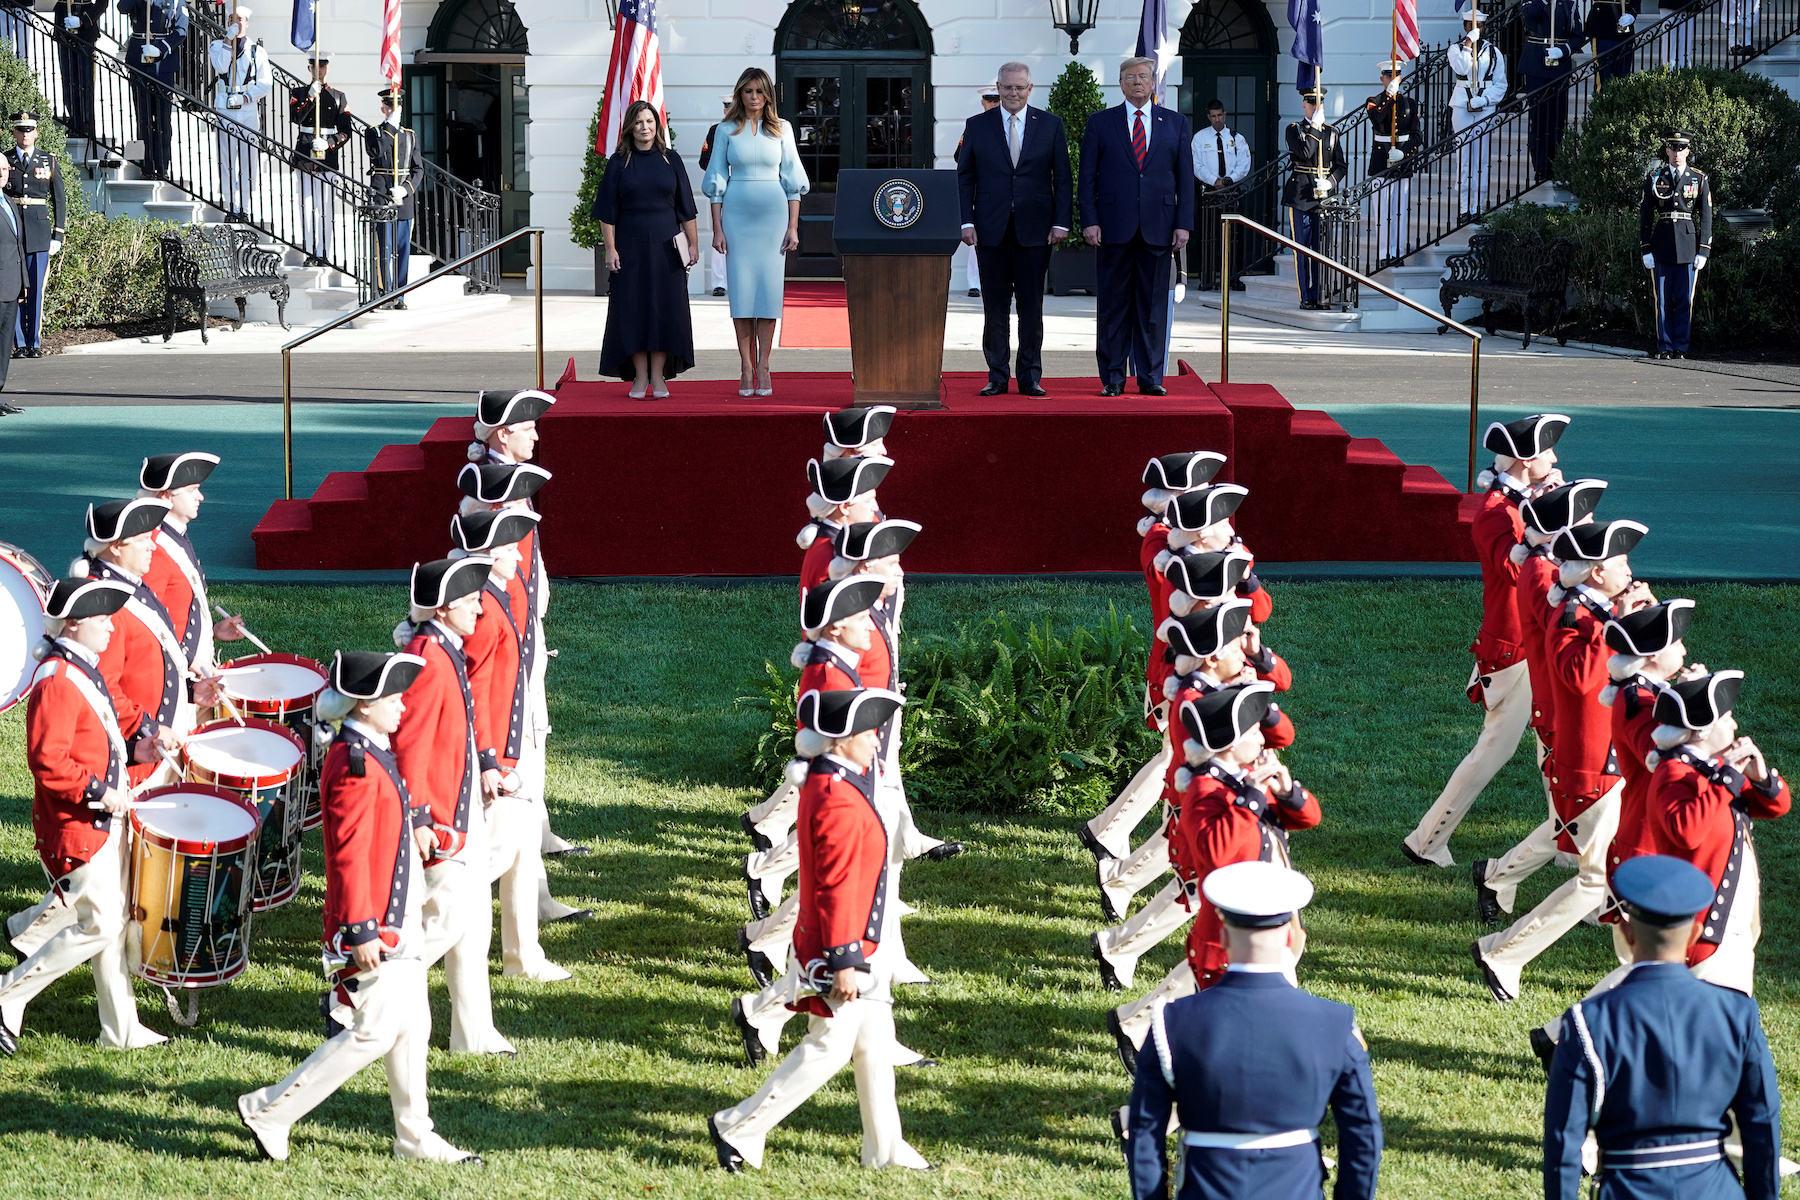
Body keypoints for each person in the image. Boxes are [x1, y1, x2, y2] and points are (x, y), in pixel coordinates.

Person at [236, 650, 484, 1166]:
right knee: (372, 1031)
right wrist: (362, 929)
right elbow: (346, 857)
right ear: (366, 705)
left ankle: (414, 1136)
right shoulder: (353, 764)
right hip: (374, 923)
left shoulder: (371, 750)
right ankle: (270, 1109)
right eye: (393, 698)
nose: (402, 707)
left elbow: (391, 809)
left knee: (414, 1026)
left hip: (397, 915)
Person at [709, 686, 933, 1174]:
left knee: (872, 1043)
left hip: (857, 942)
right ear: (839, 739)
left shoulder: (839, 780)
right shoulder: (834, 796)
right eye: (868, 733)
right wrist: (846, 960)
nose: (877, 743)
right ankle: (739, 1126)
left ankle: (886, 1148)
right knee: (829, 1047)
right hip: (840, 949)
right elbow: (832, 886)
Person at [1122, 861, 1380, 1200]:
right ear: (1290, 934)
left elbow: (1145, 1134)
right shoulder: (1334, 1023)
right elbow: (1363, 1136)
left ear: (1224, 935)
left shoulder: (1173, 1023)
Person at [1473, 518, 1651, 1004]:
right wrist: (1619, 624)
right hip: (1588, 766)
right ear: (1595, 573)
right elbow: (1577, 676)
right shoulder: (1573, 614)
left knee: (1589, 854)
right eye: (1620, 564)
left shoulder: (1589, 609)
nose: (1629, 572)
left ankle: (1634, 964)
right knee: (1595, 881)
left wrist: (1632, 622)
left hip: (1600, 760)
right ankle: (1503, 954)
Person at [1543, 855, 1780, 1200]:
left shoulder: (1586, 1021)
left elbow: (1563, 1143)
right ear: (1695, 934)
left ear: (1626, 930)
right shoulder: (1737, 1013)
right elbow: (1763, 1125)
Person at [0, 577, 171, 1054]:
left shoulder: (81, 666)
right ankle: (7, 993)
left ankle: (120, 1028)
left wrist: (143, 747)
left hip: (94, 820)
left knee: (109, 922)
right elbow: (48, 761)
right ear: (74, 625)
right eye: (102, 621)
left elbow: (99, 740)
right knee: (101, 925)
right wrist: (101, 793)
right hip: (78, 825)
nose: (112, 629)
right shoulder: (56, 680)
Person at [1403, 414, 1569, 869]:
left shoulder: (1525, 502)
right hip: (1516, 649)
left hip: (1538, 642)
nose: (1555, 460)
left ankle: (1567, 844)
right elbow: (1520, 574)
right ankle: (1427, 840)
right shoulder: (1497, 512)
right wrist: (1552, 522)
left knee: (1556, 742)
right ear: (1525, 459)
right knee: (1496, 750)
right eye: (1547, 454)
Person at [461, 403, 596, 917]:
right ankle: (531, 894)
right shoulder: (489, 489)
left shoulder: (510, 480)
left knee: (533, 740)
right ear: (502, 432)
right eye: (529, 427)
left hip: (522, 633)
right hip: (507, 638)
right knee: (523, 746)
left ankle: (537, 843)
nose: (537, 435)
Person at [392, 556, 516, 1056]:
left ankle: (474, 1032)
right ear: (442, 609)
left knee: (470, 927)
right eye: (469, 602)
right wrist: (421, 817)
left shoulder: (444, 647)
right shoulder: (429, 659)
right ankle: (359, 993)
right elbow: (410, 747)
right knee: (448, 921)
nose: (480, 608)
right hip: (441, 815)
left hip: (458, 807)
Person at [450, 508, 572, 983]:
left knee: (520, 848)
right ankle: (428, 921)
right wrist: (487, 760)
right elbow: (474, 693)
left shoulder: (500, 592)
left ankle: (524, 956)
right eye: (503, 549)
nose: (514, 554)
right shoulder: (481, 607)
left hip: (507, 741)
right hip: (490, 751)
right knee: (492, 857)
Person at [1645, 670, 1789, 991]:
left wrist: (1761, 777)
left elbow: (1776, 806)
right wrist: (1729, 778)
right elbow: (1686, 830)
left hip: (1731, 924)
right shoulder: (1674, 773)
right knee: (1729, 1026)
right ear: (1702, 731)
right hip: (1706, 930)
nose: (1735, 725)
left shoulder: (1715, 769)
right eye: (1727, 719)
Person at [77, 497, 222, 784]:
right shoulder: (104, 606)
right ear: (116, 547)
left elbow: (152, 663)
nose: (153, 545)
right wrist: (147, 728)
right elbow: (100, 689)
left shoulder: (130, 585)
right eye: (143, 540)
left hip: (160, 744)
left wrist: (191, 691)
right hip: (140, 760)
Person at [1078, 57, 1194, 397]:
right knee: (1113, 306)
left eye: (1143, 76)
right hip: (1113, 227)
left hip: (1159, 228)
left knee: (1153, 307)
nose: (1138, 82)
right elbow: (1087, 179)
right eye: (1131, 77)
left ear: (1153, 82)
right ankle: (1113, 377)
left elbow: (1185, 179)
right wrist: (1090, 220)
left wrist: (1183, 224)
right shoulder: (1101, 123)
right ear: (1121, 82)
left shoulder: (1174, 123)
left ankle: (1150, 376)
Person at [957, 61, 1072, 398]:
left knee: (1031, 308)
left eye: (1019, 87)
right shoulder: (977, 126)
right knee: (994, 309)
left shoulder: (1050, 125)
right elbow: (965, 177)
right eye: (1007, 87)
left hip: (1036, 230)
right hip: (989, 230)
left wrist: (1061, 222)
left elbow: (1062, 179)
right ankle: (997, 376)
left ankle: (1029, 376)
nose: (1013, 93)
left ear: (1030, 89)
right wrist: (966, 221)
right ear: (998, 87)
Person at [702, 67, 808, 398]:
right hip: (736, 216)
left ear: (767, 96)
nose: (753, 97)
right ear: (740, 95)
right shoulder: (725, 130)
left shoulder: (783, 129)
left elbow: (793, 180)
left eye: (759, 91)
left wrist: (793, 226)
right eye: (747, 91)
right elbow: (717, 181)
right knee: (743, 295)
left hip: (774, 217)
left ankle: (765, 367)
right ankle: (745, 368)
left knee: (768, 295)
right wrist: (717, 228)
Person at [595, 100, 698, 399]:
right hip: (630, 249)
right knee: (633, 312)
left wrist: (693, 244)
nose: (645, 127)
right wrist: (610, 249)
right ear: (630, 126)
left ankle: (659, 376)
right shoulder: (618, 162)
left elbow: (687, 209)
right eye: (639, 122)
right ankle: (640, 377)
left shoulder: (671, 160)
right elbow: (607, 212)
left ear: (657, 125)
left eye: (650, 122)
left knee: (666, 311)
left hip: (667, 250)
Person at [137, 451, 249, 672]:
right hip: (173, 675)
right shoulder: (154, 547)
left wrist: (212, 631)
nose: (201, 497)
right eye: (192, 491)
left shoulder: (175, 535)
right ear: (166, 496)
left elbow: (178, 607)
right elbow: (145, 624)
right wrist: (190, 661)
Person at [1640, 130, 1712, 362]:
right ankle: (1665, 347)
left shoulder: (1699, 178)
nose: (1677, 153)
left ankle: (1681, 347)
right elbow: (1646, 216)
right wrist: (1645, 247)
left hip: (1688, 246)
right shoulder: (1655, 177)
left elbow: (1707, 217)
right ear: (1667, 150)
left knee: (1684, 300)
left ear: (1688, 151)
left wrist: (1703, 249)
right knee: (1661, 300)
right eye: (1673, 148)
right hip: (1661, 245)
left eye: (1682, 148)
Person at [4, 114, 64, 363]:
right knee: (13, 288)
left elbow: (59, 199)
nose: (25, 134)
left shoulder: (47, 160)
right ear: (14, 134)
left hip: (39, 232)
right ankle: (18, 343)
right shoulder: (4, 160)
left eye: (29, 130)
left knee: (36, 290)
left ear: (36, 133)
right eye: (20, 130)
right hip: (12, 232)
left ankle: (33, 342)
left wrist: (57, 234)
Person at [1281, 86, 1347, 311]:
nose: (1316, 107)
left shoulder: (1332, 131)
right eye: (1312, 103)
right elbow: (1304, 153)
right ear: (1304, 105)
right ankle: (1305, 296)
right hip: (1300, 195)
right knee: (1302, 250)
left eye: (1319, 103)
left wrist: (1330, 182)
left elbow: (1341, 166)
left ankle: (1321, 294)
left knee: (1321, 249)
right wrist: (1315, 128)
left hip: (1323, 198)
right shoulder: (1294, 130)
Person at [290, 51, 353, 267]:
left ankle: (323, 251)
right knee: (306, 206)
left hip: (327, 156)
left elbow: (346, 130)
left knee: (325, 206)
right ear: (309, 69)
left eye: (323, 67)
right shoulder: (298, 93)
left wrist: (330, 142)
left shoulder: (338, 96)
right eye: (315, 67)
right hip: (305, 153)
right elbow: (296, 117)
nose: (320, 70)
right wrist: (310, 96)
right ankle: (309, 251)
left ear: (328, 68)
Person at [208, 7, 271, 222]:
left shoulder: (256, 51)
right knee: (226, 159)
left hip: (246, 107)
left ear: (247, 23)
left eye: (240, 19)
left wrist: (246, 97)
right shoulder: (218, 45)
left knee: (248, 159)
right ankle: (229, 205)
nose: (236, 22)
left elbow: (265, 84)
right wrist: (228, 39)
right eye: (231, 19)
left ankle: (244, 205)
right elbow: (220, 66)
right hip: (225, 106)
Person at [1447, 8, 1507, 224]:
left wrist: (1486, 99)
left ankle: (1477, 206)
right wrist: (1468, 44)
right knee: (1464, 157)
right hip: (1463, 105)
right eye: (1471, 26)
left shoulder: (1493, 52)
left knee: (1481, 158)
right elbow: (1461, 67)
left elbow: (1501, 84)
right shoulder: (1456, 50)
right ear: (1465, 27)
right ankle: (1464, 207)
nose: (1476, 29)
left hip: (1484, 105)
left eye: (1479, 26)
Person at [366, 86, 423, 309]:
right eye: (388, 105)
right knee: (384, 247)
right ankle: (385, 292)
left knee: (402, 248)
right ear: (383, 108)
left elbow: (418, 169)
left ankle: (400, 294)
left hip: (403, 199)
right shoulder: (374, 132)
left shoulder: (410, 135)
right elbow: (377, 152)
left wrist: (407, 189)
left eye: (395, 106)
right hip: (382, 195)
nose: (391, 109)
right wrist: (391, 125)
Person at [118, 0, 187, 180]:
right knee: (143, 116)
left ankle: (162, 166)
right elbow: (122, 8)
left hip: (163, 63)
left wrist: (161, 48)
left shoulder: (176, 1)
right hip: (138, 59)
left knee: (163, 118)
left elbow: (181, 30)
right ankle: (146, 166)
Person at [1518, 0, 1584, 185]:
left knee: (1557, 118)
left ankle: (1555, 164)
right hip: (1536, 64)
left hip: (1559, 65)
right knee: (1539, 117)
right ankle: (1541, 168)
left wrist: (1563, 51)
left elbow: (1578, 36)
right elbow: (1531, 15)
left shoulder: (1569, 4)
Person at [1190, 100, 1251, 292]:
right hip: (1209, 192)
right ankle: (1207, 277)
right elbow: (1196, 164)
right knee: (1208, 236)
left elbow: (1244, 163)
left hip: (1231, 192)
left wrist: (1228, 180)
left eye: (1219, 115)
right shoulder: (1200, 138)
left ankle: (1235, 278)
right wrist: (1212, 180)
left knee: (1235, 237)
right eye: (1213, 116)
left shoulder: (1236, 137)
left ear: (1225, 115)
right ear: (1209, 117)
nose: (1217, 119)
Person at [1364, 63, 1420, 270]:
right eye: (1388, 76)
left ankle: (1397, 252)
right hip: (1381, 161)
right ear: (1382, 79)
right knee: (1382, 210)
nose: (1392, 79)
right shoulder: (1374, 101)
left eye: (1395, 76)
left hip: (1402, 162)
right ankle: (1384, 253)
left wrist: (1405, 153)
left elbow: (1417, 136)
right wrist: (1389, 95)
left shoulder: (1410, 103)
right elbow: (1377, 116)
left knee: (1400, 210)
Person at [956, 85, 1002, 299]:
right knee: (977, 240)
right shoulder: (974, 126)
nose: (993, 104)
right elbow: (961, 157)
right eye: (989, 100)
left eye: (996, 100)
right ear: (982, 102)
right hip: (981, 192)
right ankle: (975, 283)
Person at [55, 0, 104, 142]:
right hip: (64, 21)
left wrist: (83, 20)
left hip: (85, 29)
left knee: (85, 81)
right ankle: (74, 122)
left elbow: (103, 3)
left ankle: (86, 125)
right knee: (68, 80)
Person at [697, 95, 732, 297]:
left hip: (743, 184)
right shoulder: (715, 131)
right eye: (727, 108)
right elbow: (704, 160)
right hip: (723, 186)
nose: (728, 111)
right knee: (720, 233)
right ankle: (719, 282)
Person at [0, 150, 23, 413]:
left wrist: (24, 283)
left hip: (11, 285)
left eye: (4, 169)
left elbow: (19, 247)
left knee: (5, 344)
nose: (0, 174)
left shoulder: (10, 202)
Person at [1585, 0, 1639, 81]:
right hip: (1603, 25)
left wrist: (1632, 14)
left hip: (1625, 25)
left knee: (1623, 77)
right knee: (1604, 77)